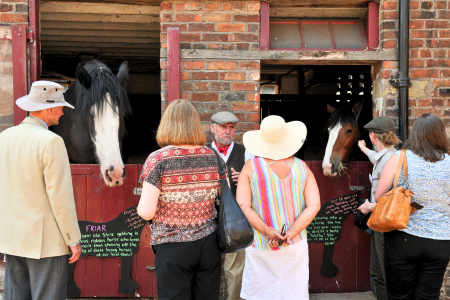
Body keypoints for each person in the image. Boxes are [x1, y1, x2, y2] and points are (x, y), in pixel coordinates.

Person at [137, 99, 227, 300]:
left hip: (172, 244)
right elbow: (225, 197)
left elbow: (146, 212)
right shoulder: (214, 157)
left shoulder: (158, 159)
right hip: (209, 243)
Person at [0, 81, 82, 300]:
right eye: (61, 107)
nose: (63, 112)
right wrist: (73, 239)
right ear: (49, 109)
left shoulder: (4, 138)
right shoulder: (51, 141)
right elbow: (60, 198)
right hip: (45, 242)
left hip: (12, 238)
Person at [236, 115, 321, 300]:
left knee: (259, 295)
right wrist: (290, 233)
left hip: (260, 243)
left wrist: (268, 230)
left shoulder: (250, 167)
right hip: (294, 244)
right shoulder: (302, 168)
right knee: (293, 294)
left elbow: (244, 206)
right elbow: (314, 205)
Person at [375, 113, 450, 300]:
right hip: (440, 240)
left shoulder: (398, 158)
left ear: (414, 134)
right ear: (441, 134)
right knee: (428, 296)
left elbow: (378, 196)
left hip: (403, 237)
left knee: (398, 296)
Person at [209, 111, 254, 300]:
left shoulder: (246, 152)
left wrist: (245, 179)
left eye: (231, 127)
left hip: (236, 221)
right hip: (208, 219)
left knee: (236, 271)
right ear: (212, 128)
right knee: (208, 268)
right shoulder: (203, 152)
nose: (228, 131)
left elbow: (259, 184)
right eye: (223, 127)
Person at [357, 116, 401, 300]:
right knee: (377, 272)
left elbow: (394, 197)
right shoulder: (387, 155)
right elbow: (376, 157)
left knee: (384, 274)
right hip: (378, 222)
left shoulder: (393, 159)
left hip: (386, 224)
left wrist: (370, 206)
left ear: (373, 135)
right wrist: (364, 148)